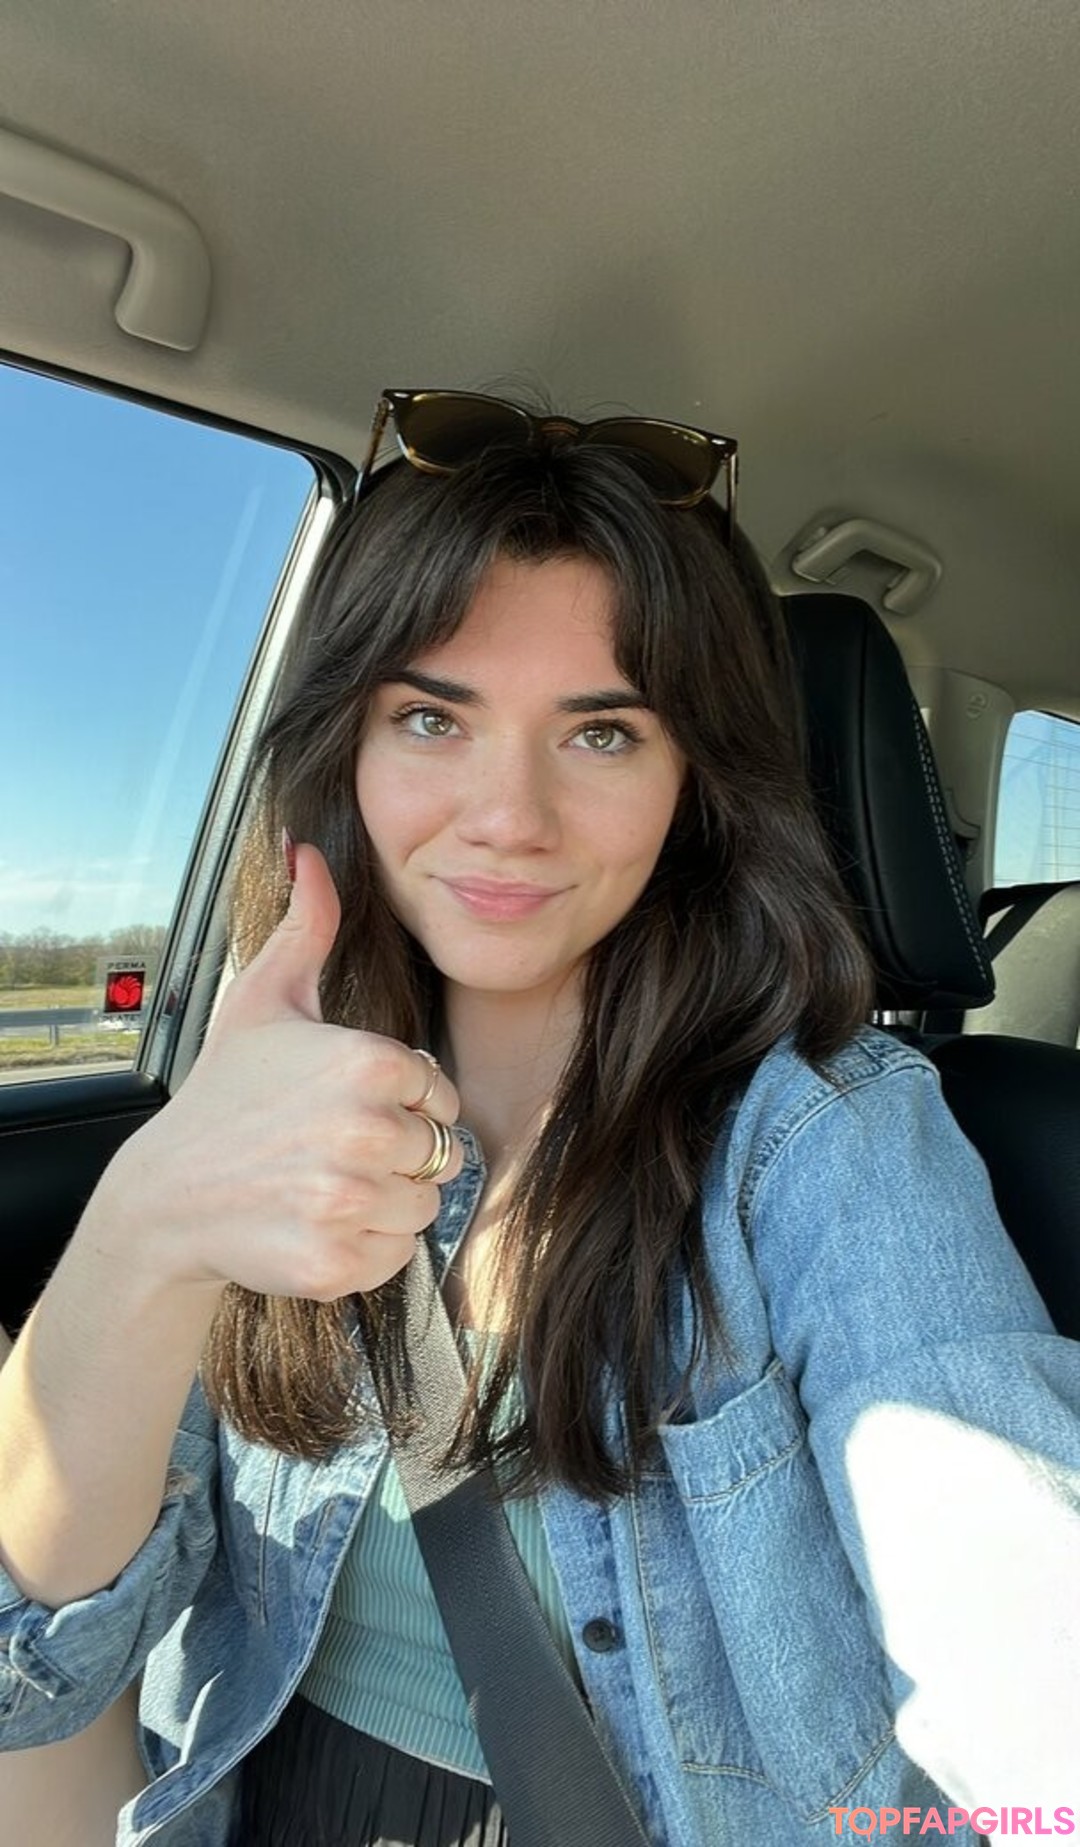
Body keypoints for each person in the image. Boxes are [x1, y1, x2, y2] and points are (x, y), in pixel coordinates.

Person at [0, 389, 1078, 1847]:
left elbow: (1010, 1588)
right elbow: (34, 1678)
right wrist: (148, 1220)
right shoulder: (267, 1098)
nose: (509, 814)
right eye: (431, 718)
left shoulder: (829, 1144)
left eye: (603, 735)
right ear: (345, 751)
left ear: (697, 782)